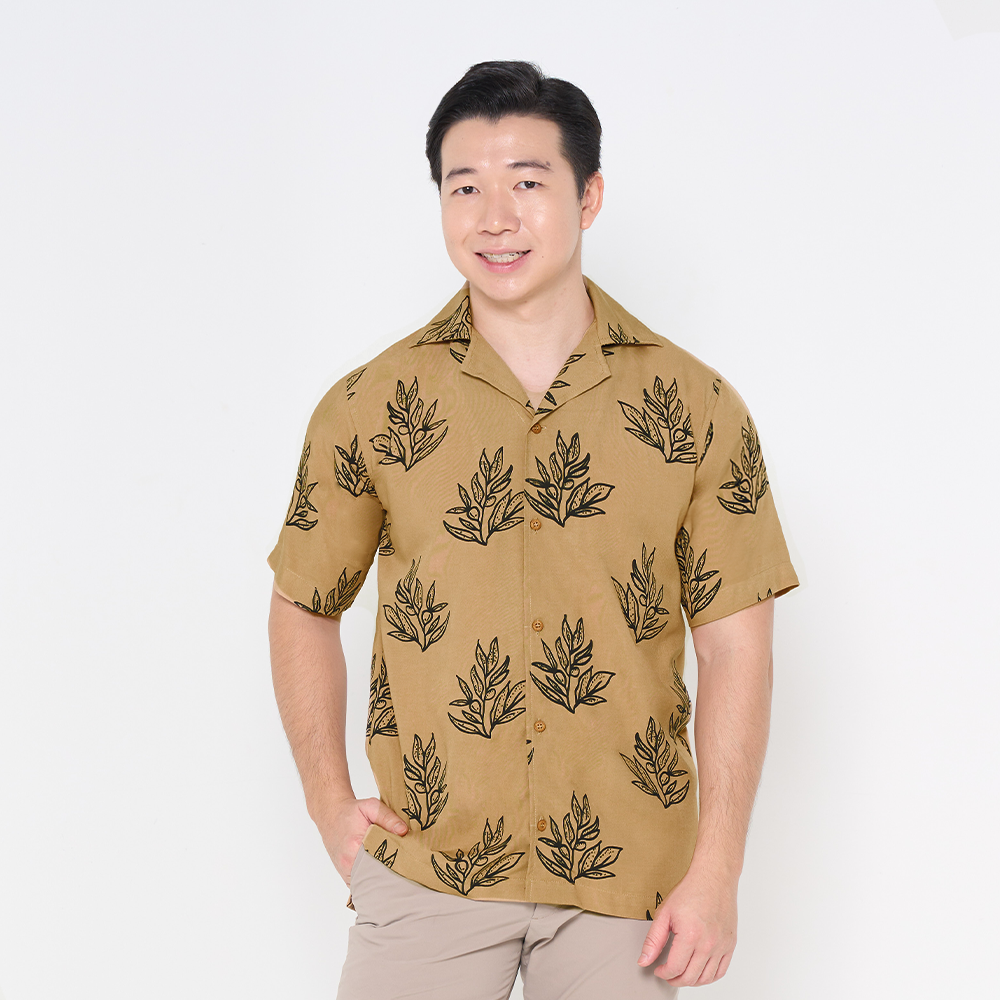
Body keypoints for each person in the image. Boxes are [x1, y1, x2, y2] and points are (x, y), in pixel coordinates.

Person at [267, 60, 798, 998]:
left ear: (588, 197)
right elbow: (302, 604)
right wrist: (325, 803)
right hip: (429, 869)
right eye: (464, 187)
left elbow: (736, 650)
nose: (494, 217)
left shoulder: (697, 406)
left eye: (527, 182)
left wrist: (718, 869)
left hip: (629, 880)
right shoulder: (368, 406)